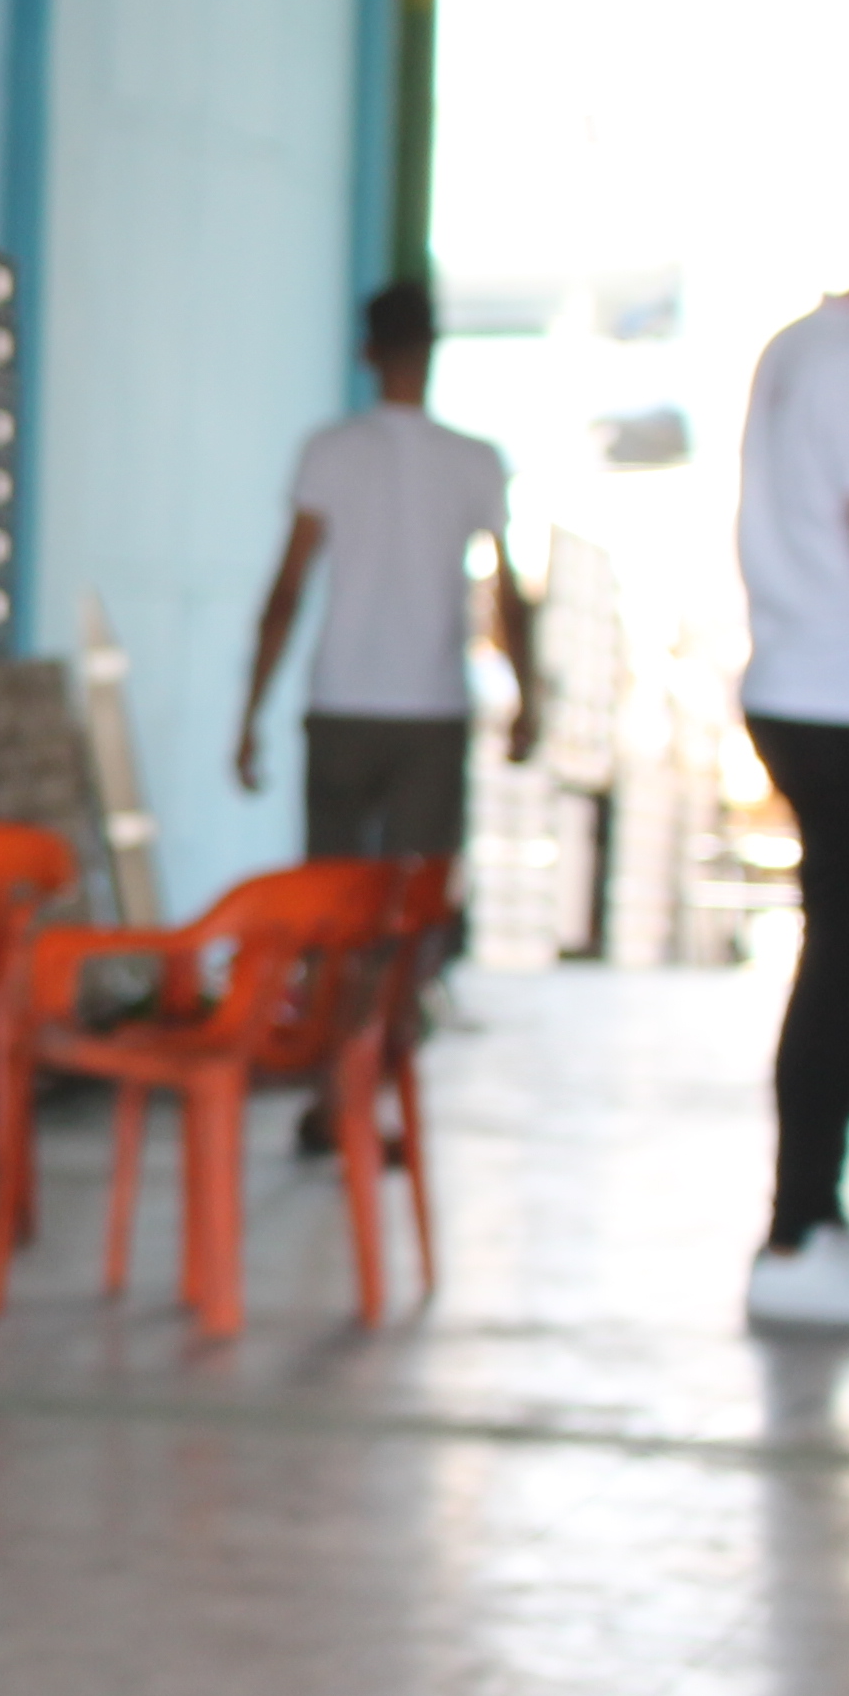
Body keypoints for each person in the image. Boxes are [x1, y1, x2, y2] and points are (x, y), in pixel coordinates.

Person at [235, 279, 538, 1153]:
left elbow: (287, 591)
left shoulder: (329, 452)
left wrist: (250, 711)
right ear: (434, 347)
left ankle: (337, 1097)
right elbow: (508, 599)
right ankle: (379, 1101)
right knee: (410, 922)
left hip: (339, 709)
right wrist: (529, 703)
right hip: (431, 718)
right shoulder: (476, 460)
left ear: (366, 353)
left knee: (334, 912)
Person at [734, 226, 849, 1334]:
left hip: (810, 688)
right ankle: (797, 1233)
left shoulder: (803, 348)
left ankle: (809, 1226)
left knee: (848, 956)